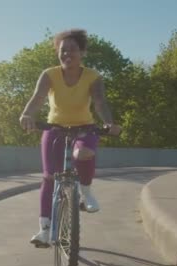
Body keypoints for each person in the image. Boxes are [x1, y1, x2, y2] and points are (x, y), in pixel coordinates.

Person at [19, 29, 122, 246]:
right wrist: (28, 114)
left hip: (85, 128)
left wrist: (109, 122)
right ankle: (44, 230)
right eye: (62, 50)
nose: (67, 54)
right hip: (54, 128)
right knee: (49, 177)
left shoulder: (93, 76)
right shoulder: (50, 74)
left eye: (72, 49)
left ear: (82, 52)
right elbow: (37, 98)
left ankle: (85, 192)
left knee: (83, 153)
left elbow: (100, 102)